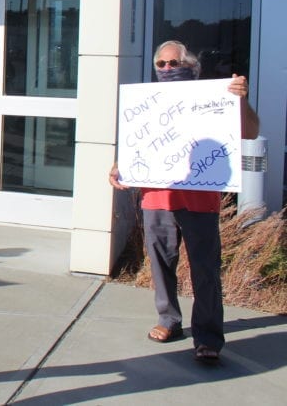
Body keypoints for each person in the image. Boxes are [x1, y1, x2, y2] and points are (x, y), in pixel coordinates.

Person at [109, 40, 260, 365]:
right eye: (161, 65)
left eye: (173, 63)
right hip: (156, 198)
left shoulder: (217, 97)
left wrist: (241, 99)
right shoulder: (147, 101)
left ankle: (207, 337)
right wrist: (120, 165)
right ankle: (169, 321)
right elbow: (139, 143)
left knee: (205, 271)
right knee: (161, 267)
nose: (166, 69)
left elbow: (249, 132)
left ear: (190, 66)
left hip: (200, 201)